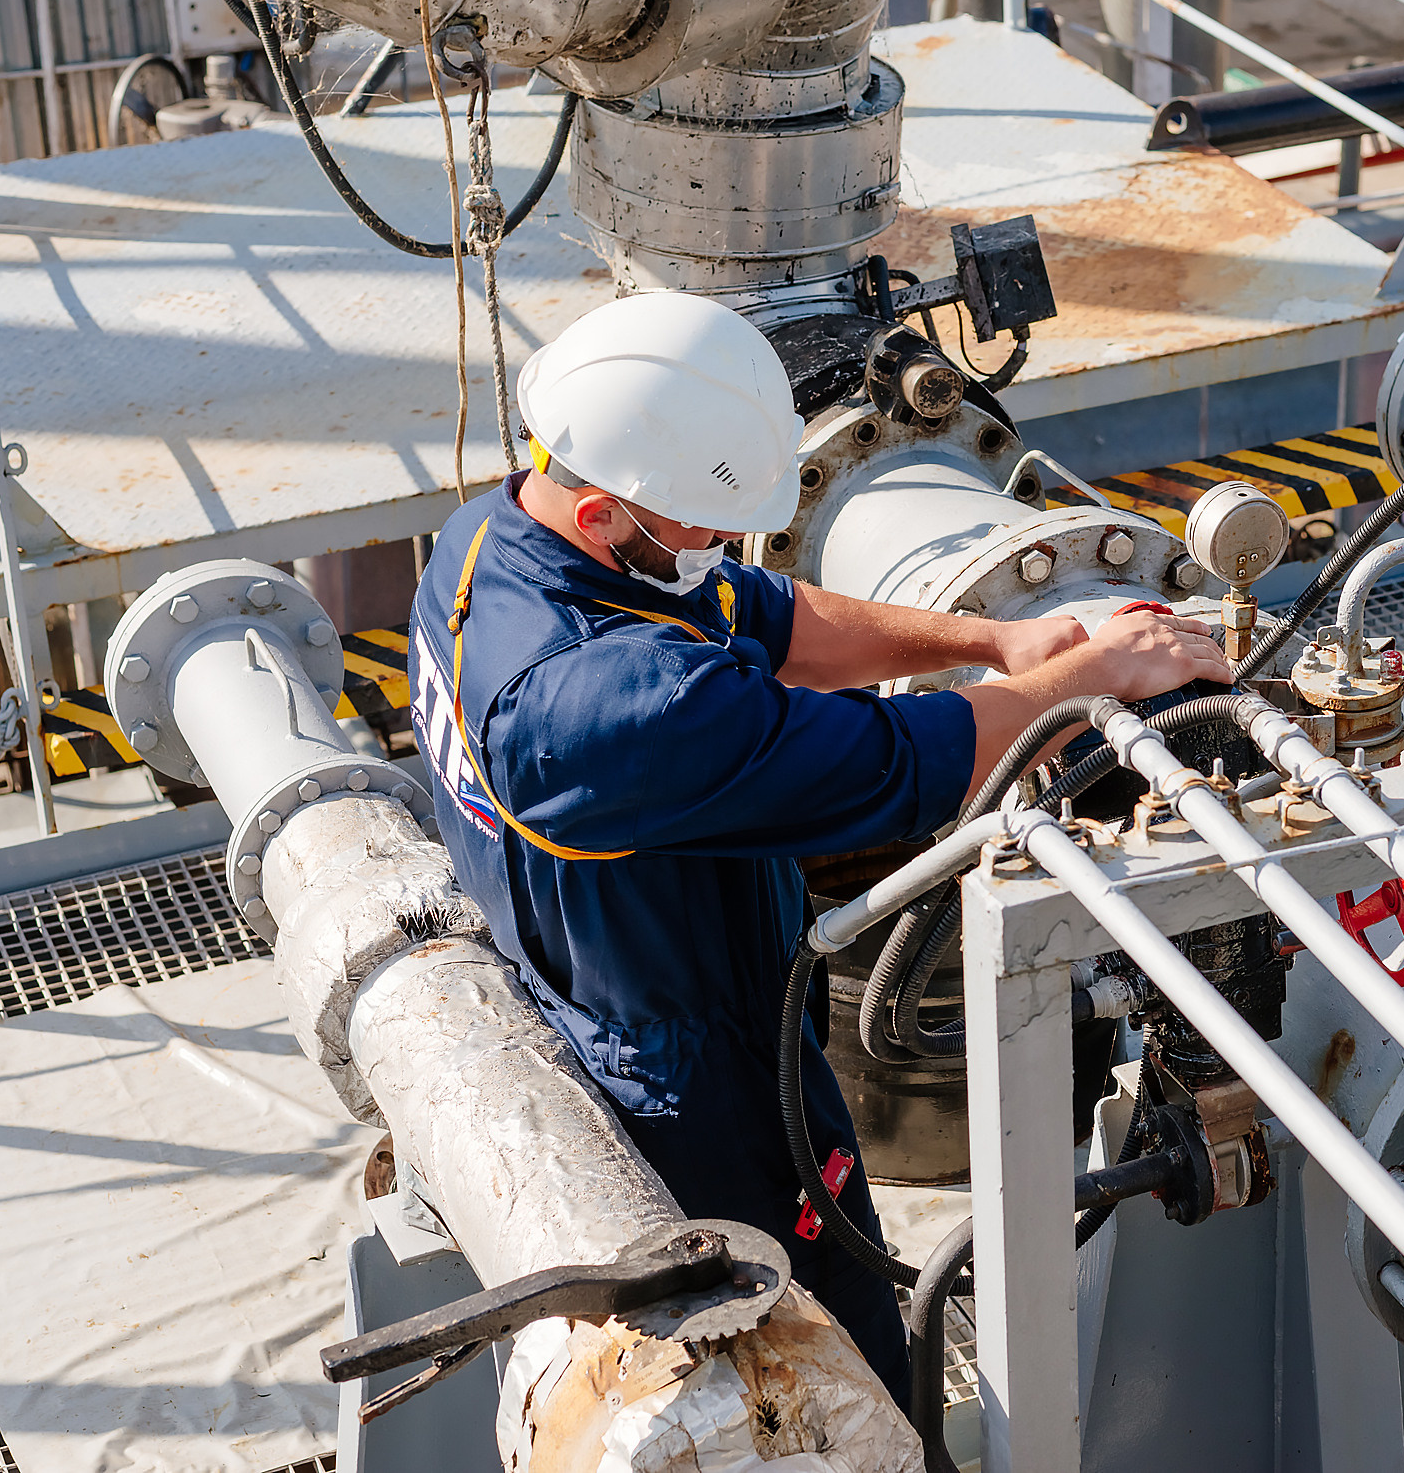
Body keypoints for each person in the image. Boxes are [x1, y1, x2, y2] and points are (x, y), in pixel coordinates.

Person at [408, 291, 1229, 1407]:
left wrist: (998, 636)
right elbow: (894, 757)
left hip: (628, 961)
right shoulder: (599, 706)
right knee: (816, 1345)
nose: (711, 546)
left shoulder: (492, 539)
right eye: (696, 523)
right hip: (694, 1075)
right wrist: (1079, 684)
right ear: (606, 512)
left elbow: (766, 613)